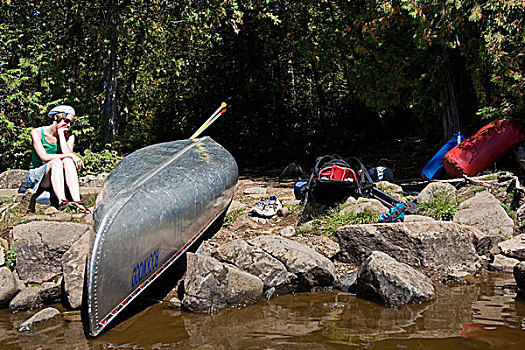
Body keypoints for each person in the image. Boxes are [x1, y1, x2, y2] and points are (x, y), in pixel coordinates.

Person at [25, 105, 88, 212]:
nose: (68, 125)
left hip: (58, 175)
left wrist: (61, 134)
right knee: (56, 162)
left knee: (67, 161)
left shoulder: (70, 136)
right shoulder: (37, 133)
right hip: (38, 176)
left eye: (70, 123)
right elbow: (44, 157)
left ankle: (77, 202)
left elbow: (68, 155)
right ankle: (62, 202)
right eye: (66, 120)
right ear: (56, 117)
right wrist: (71, 155)